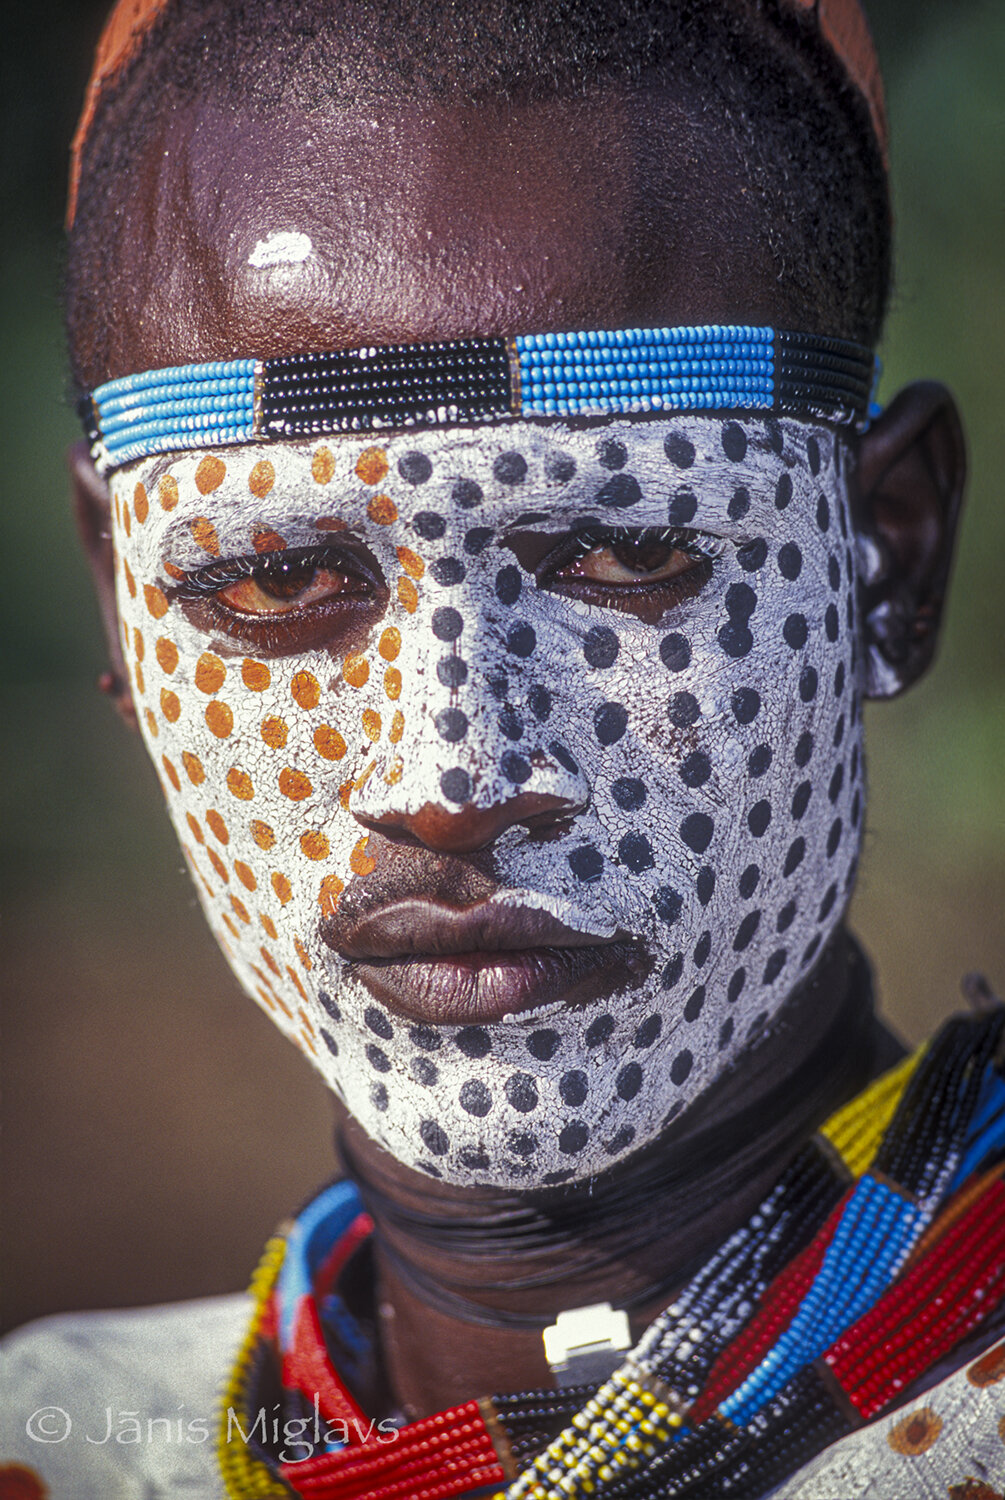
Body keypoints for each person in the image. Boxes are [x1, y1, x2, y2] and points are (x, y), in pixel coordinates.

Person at [1, 0, 1002, 1496]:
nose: (450, 777)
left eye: (619, 548)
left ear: (882, 557)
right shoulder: (58, 1437)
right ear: (123, 600)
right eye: (274, 582)